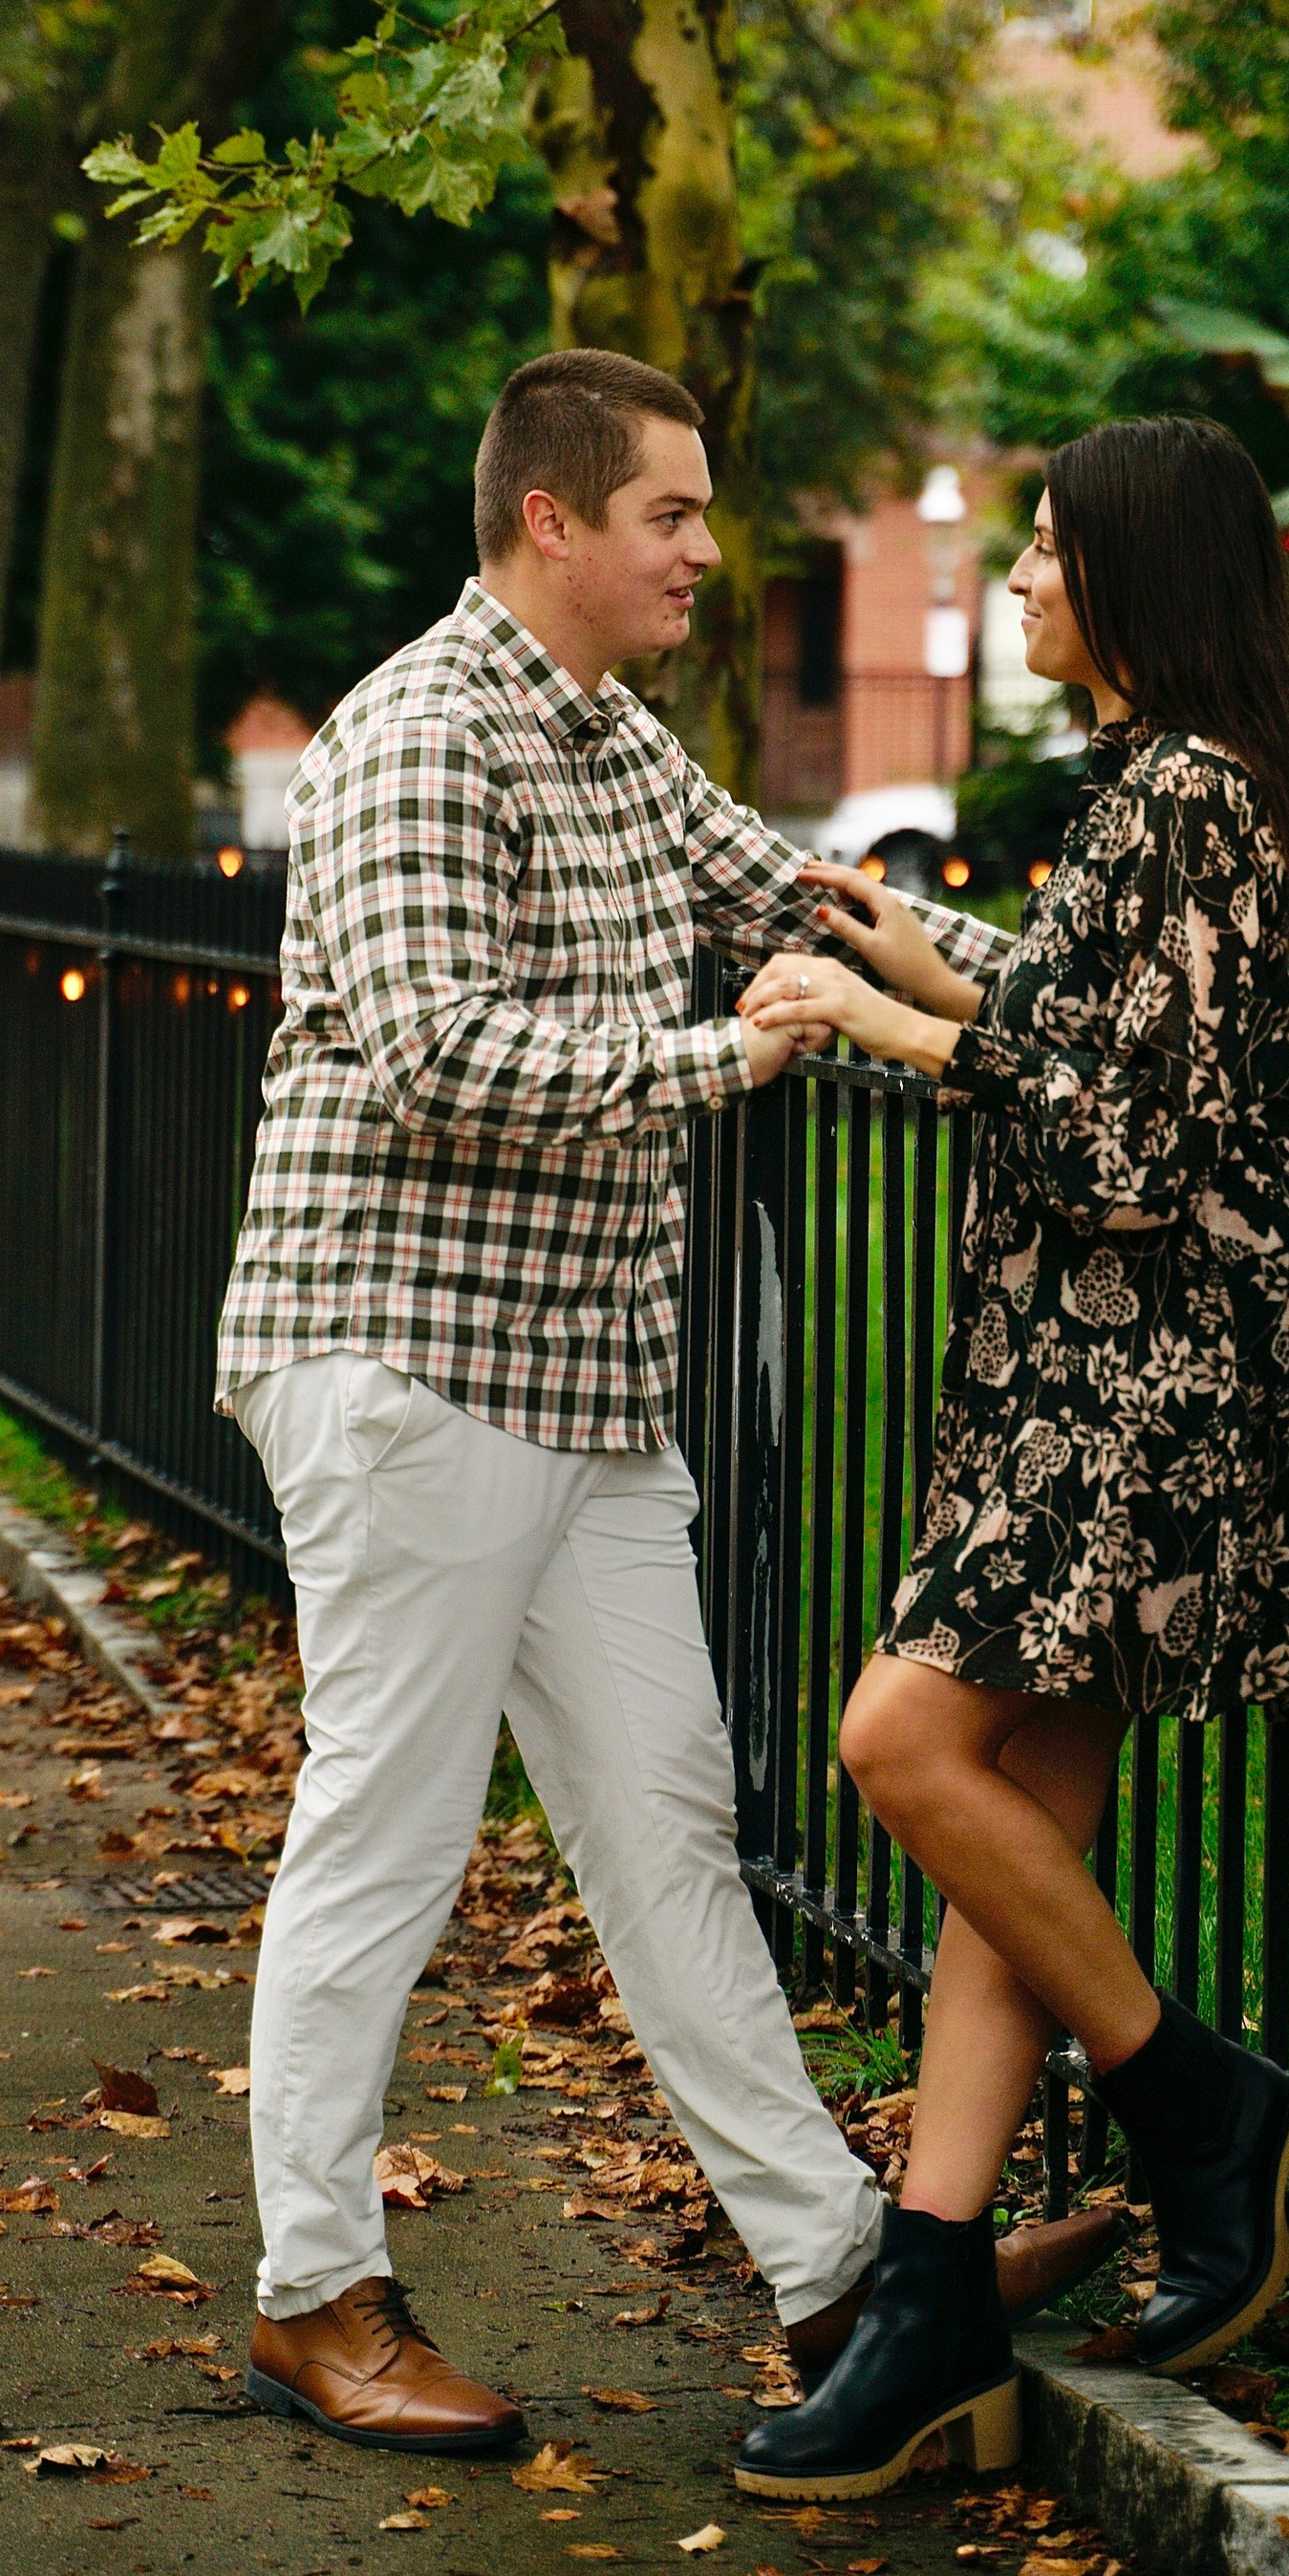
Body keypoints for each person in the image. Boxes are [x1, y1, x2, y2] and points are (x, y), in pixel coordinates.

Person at [218, 346, 1125, 2456]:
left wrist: (1078, 985)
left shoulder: (617, 740)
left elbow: (805, 906)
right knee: (386, 1830)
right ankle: (311, 2287)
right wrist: (734, 1058)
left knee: (671, 1832)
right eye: (673, 517)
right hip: (405, 1358)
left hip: (587, 1380)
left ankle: (838, 2278)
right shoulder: (419, 739)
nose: (709, 551)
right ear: (551, 519)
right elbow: (444, 1047)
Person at [727, 414, 1289, 2502]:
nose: (1011, 579)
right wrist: (927, 948)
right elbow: (1111, 1045)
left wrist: (880, 1018)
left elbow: (1114, 1150)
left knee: (896, 1746)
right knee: (1006, 1842)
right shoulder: (1174, 793)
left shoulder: (1181, 791)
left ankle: (1205, 2109)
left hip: (1130, 1394)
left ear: (1134, 582)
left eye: (1043, 550)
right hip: (1098, 1386)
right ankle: (929, 2296)